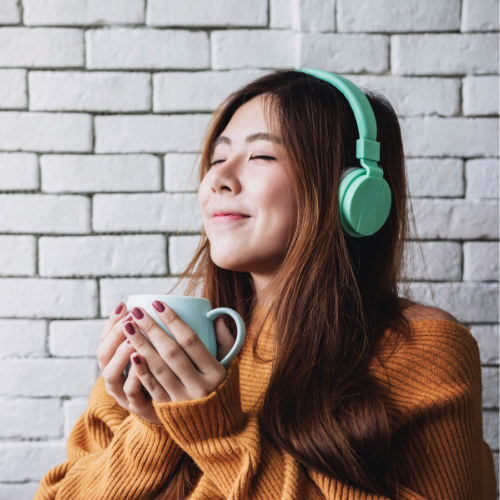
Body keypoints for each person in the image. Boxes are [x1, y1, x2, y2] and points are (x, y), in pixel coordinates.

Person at [33, 69, 497, 500]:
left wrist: (214, 432)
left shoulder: (424, 349)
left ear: (352, 193)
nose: (218, 178)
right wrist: (155, 429)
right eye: (217, 158)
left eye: (260, 155)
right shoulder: (174, 347)